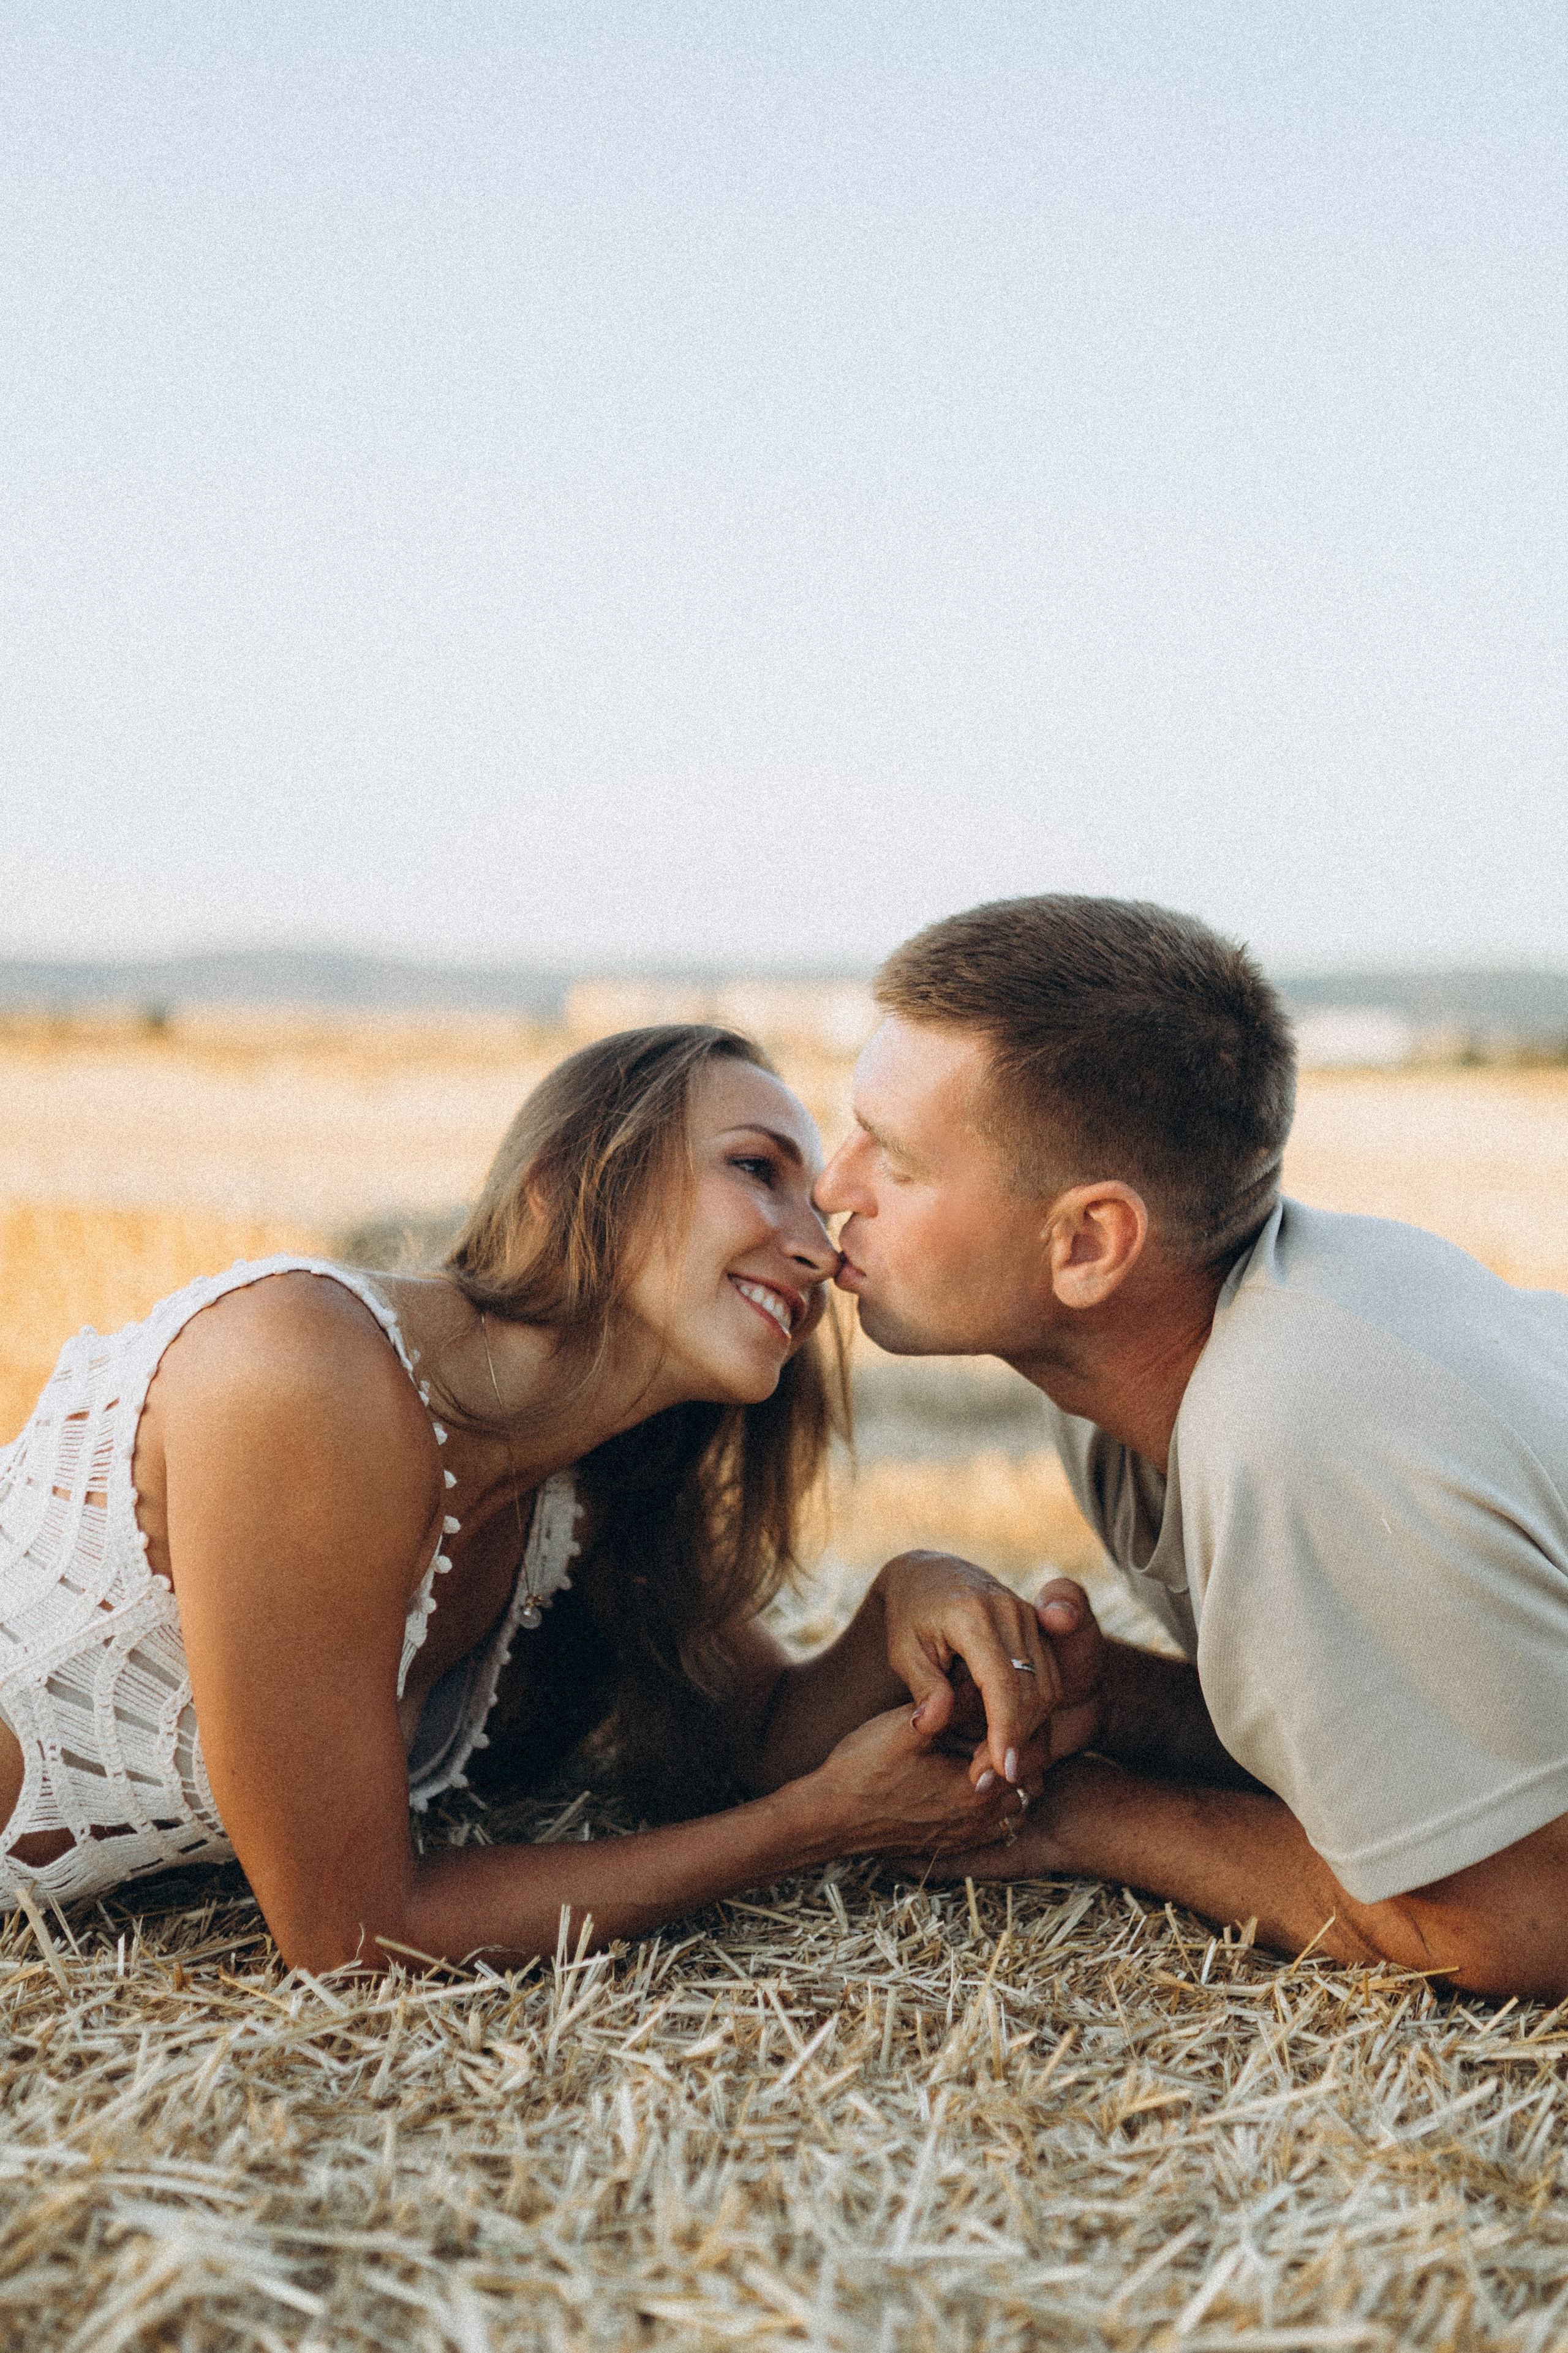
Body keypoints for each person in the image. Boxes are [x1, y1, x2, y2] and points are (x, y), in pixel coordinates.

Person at [0, 1024, 1055, 1974]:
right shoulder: (306, 1372)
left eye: (815, 1204)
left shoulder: (573, 1499)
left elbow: (757, 1725)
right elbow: (351, 1935)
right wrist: (816, 1825)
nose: (822, 1251)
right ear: (566, 1179)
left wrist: (912, 1593)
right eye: (754, 1169)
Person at [814, 896, 1568, 2000]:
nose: (834, 1188)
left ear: (1088, 1242)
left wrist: (1083, 1810)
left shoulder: (1289, 1421)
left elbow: (1519, 1918)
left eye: (894, 1157)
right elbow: (1405, 1755)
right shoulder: (1123, 1389)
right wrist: (1119, 1704)